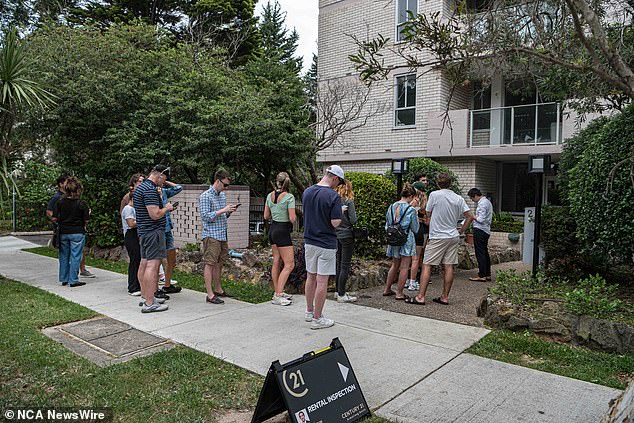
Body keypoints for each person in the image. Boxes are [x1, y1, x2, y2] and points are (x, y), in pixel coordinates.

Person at [407, 172, 474, 306]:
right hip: (453, 236)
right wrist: (461, 229)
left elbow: (428, 213)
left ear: (438, 183)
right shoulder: (458, 198)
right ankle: (444, 296)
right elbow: (470, 216)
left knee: (427, 265)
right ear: (450, 183)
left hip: (437, 236)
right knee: (448, 266)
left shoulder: (434, 195)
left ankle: (420, 297)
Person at [302, 165, 343, 329]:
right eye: (338, 182)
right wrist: (341, 214)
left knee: (310, 277)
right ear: (335, 178)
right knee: (322, 281)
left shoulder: (307, 192)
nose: (337, 186)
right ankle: (318, 318)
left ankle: (309, 311)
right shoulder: (334, 196)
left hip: (309, 241)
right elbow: (335, 222)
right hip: (326, 243)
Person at [133, 165, 174, 313]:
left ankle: (146, 296)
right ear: (160, 175)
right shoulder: (150, 190)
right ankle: (150, 303)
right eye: (164, 179)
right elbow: (155, 214)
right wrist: (167, 208)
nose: (164, 183)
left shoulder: (140, 188)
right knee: (153, 265)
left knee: (144, 263)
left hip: (144, 232)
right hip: (153, 232)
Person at [199, 169, 238, 305]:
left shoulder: (221, 196)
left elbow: (221, 216)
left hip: (222, 234)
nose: (226, 188)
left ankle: (218, 289)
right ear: (217, 181)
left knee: (219, 262)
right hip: (211, 235)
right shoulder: (205, 196)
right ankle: (209, 294)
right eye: (225, 185)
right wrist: (223, 210)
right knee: (210, 263)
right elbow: (206, 216)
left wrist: (229, 211)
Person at [47, 175, 95, 279]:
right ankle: (73, 279)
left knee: (63, 256)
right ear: (78, 190)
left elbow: (54, 218)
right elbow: (86, 220)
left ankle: (63, 278)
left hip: (63, 232)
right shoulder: (82, 203)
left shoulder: (59, 202)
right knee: (76, 256)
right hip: (77, 232)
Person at [382, 183, 419, 300]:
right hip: (406, 240)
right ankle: (399, 293)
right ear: (411, 196)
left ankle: (387, 289)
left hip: (394, 239)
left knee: (394, 264)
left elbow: (387, 225)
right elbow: (415, 228)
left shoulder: (392, 206)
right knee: (404, 267)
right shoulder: (411, 209)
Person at [264, 172, 296, 306]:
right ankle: (278, 295)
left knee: (277, 261)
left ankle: (277, 291)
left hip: (272, 229)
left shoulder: (269, 196)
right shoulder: (289, 197)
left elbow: (266, 216)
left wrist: (276, 212)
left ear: (277, 182)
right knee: (289, 264)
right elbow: (292, 218)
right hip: (283, 231)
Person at [334, 179, 358, 303]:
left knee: (338, 263)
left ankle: (337, 290)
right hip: (347, 235)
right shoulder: (349, 201)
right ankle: (341, 294)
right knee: (345, 264)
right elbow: (353, 220)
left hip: (335, 235)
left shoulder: (334, 201)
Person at [159, 178, 183, 294]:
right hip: (158, 230)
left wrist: (166, 182)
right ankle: (153, 289)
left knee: (171, 259)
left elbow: (178, 187)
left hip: (167, 229)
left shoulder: (163, 191)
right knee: (156, 261)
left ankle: (167, 285)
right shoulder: (150, 192)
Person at [405, 181, 429, 292]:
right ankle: (412, 282)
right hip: (421, 230)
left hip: (411, 230)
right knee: (417, 258)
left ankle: (407, 281)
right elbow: (426, 219)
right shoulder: (425, 202)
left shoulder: (412, 202)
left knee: (409, 258)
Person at [468, 188, 493, 282]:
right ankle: (487, 274)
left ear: (475, 195)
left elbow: (481, 219)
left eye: (472, 198)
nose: (472, 200)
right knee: (485, 253)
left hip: (480, 230)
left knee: (480, 253)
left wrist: (471, 215)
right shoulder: (487, 202)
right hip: (485, 230)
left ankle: (482, 275)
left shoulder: (482, 204)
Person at [121, 192, 141, 296]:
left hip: (136, 235)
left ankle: (138, 284)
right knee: (134, 260)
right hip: (131, 235)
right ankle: (133, 286)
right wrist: (142, 220)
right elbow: (131, 224)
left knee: (139, 260)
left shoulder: (134, 209)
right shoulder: (128, 209)